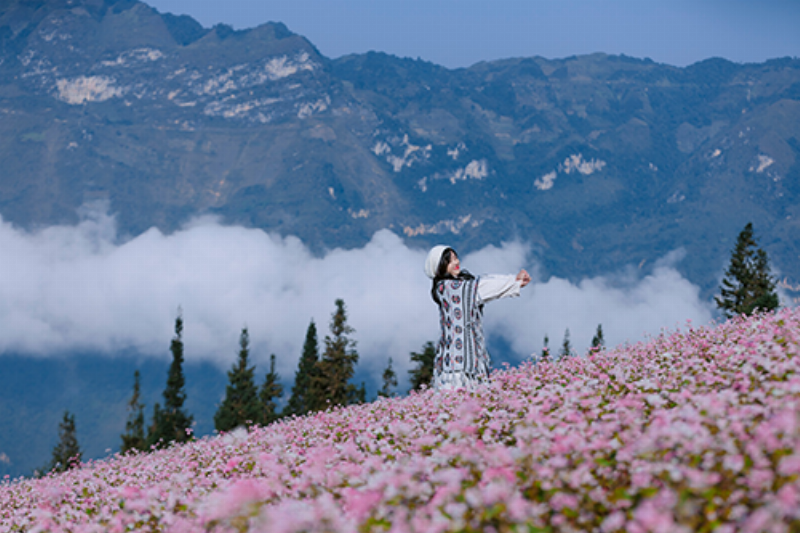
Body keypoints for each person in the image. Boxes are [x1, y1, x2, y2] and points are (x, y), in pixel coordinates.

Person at [424, 245, 531, 391]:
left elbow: (481, 282)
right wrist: (514, 281)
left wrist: (513, 280)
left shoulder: (447, 286)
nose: (456, 263)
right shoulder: (451, 288)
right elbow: (481, 287)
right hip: (458, 368)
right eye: (449, 261)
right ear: (440, 267)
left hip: (456, 361)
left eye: (456, 258)